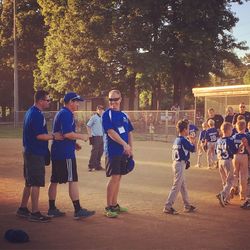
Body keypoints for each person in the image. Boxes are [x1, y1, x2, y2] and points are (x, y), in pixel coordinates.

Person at [16, 90, 63, 222]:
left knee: (29, 182)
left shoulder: (31, 112)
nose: (49, 102)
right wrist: (55, 136)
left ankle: (23, 208)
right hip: (35, 153)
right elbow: (39, 135)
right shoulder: (36, 114)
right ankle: (35, 212)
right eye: (48, 100)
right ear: (40, 101)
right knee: (35, 183)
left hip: (30, 151)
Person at [48, 92, 95, 219]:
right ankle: (78, 210)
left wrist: (74, 145)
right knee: (72, 179)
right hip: (65, 154)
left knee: (55, 180)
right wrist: (83, 137)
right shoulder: (66, 114)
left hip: (59, 151)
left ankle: (51, 208)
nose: (78, 104)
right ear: (70, 102)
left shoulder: (62, 113)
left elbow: (63, 134)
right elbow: (68, 133)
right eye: (76, 102)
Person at [102, 89, 134, 218]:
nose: (113, 102)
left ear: (120, 99)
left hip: (124, 152)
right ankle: (108, 207)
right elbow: (110, 132)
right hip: (113, 151)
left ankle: (114, 205)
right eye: (110, 100)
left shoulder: (124, 115)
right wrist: (124, 145)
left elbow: (129, 132)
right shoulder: (106, 114)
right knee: (114, 177)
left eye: (115, 99)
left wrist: (130, 148)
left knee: (119, 177)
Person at [163, 120, 196, 215]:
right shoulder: (183, 140)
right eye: (188, 128)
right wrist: (193, 141)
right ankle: (167, 206)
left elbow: (183, 151)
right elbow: (193, 149)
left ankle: (187, 205)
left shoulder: (177, 139)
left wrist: (186, 160)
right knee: (176, 186)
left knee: (183, 186)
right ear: (184, 130)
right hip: (179, 165)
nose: (188, 130)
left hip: (176, 163)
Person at [215, 122, 239, 207]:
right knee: (230, 180)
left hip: (220, 161)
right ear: (228, 130)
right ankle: (222, 194)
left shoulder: (218, 140)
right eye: (231, 129)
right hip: (227, 161)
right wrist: (242, 145)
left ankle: (225, 198)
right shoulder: (230, 140)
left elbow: (215, 151)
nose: (232, 131)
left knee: (225, 181)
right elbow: (235, 151)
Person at [231, 120, 248, 201]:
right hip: (244, 156)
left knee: (235, 174)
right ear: (245, 127)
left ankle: (233, 187)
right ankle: (242, 195)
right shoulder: (247, 136)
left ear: (236, 128)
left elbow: (232, 149)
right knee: (243, 176)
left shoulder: (234, 136)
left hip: (235, 156)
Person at [86, 105, 105, 171]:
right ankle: (91, 166)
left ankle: (97, 165)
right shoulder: (94, 117)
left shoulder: (103, 117)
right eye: (99, 109)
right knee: (95, 152)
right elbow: (88, 126)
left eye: (102, 109)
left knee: (101, 151)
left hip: (102, 136)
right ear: (97, 110)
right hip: (95, 136)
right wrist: (90, 136)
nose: (100, 110)